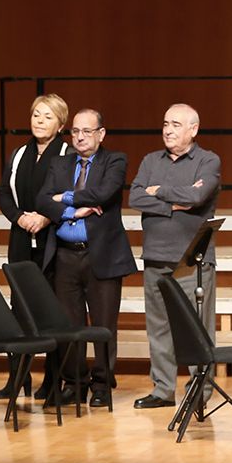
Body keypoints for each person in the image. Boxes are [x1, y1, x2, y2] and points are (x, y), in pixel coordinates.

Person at [35, 108, 135, 408]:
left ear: (100, 134)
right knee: (69, 325)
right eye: (75, 131)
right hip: (65, 256)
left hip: (100, 254)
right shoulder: (60, 162)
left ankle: (102, 384)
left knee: (104, 324)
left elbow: (103, 192)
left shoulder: (114, 160)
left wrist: (62, 197)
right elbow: (41, 199)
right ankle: (75, 383)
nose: (79, 137)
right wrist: (73, 210)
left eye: (86, 131)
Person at [128, 103, 220, 409]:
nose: (168, 130)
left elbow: (197, 197)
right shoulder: (150, 160)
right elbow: (135, 196)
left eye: (176, 124)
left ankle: (200, 393)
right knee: (159, 327)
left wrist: (158, 191)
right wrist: (172, 202)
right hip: (155, 256)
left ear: (193, 130)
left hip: (192, 260)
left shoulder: (208, 160)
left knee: (198, 328)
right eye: (165, 123)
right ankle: (163, 390)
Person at [0, 93, 71, 400]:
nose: (40, 121)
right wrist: (19, 218)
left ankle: (53, 381)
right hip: (22, 239)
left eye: (48, 116)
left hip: (54, 241)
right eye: (36, 115)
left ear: (61, 123)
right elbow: (3, 193)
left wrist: (45, 217)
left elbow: (70, 194)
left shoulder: (66, 153)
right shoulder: (19, 153)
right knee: (20, 312)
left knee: (51, 312)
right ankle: (18, 378)